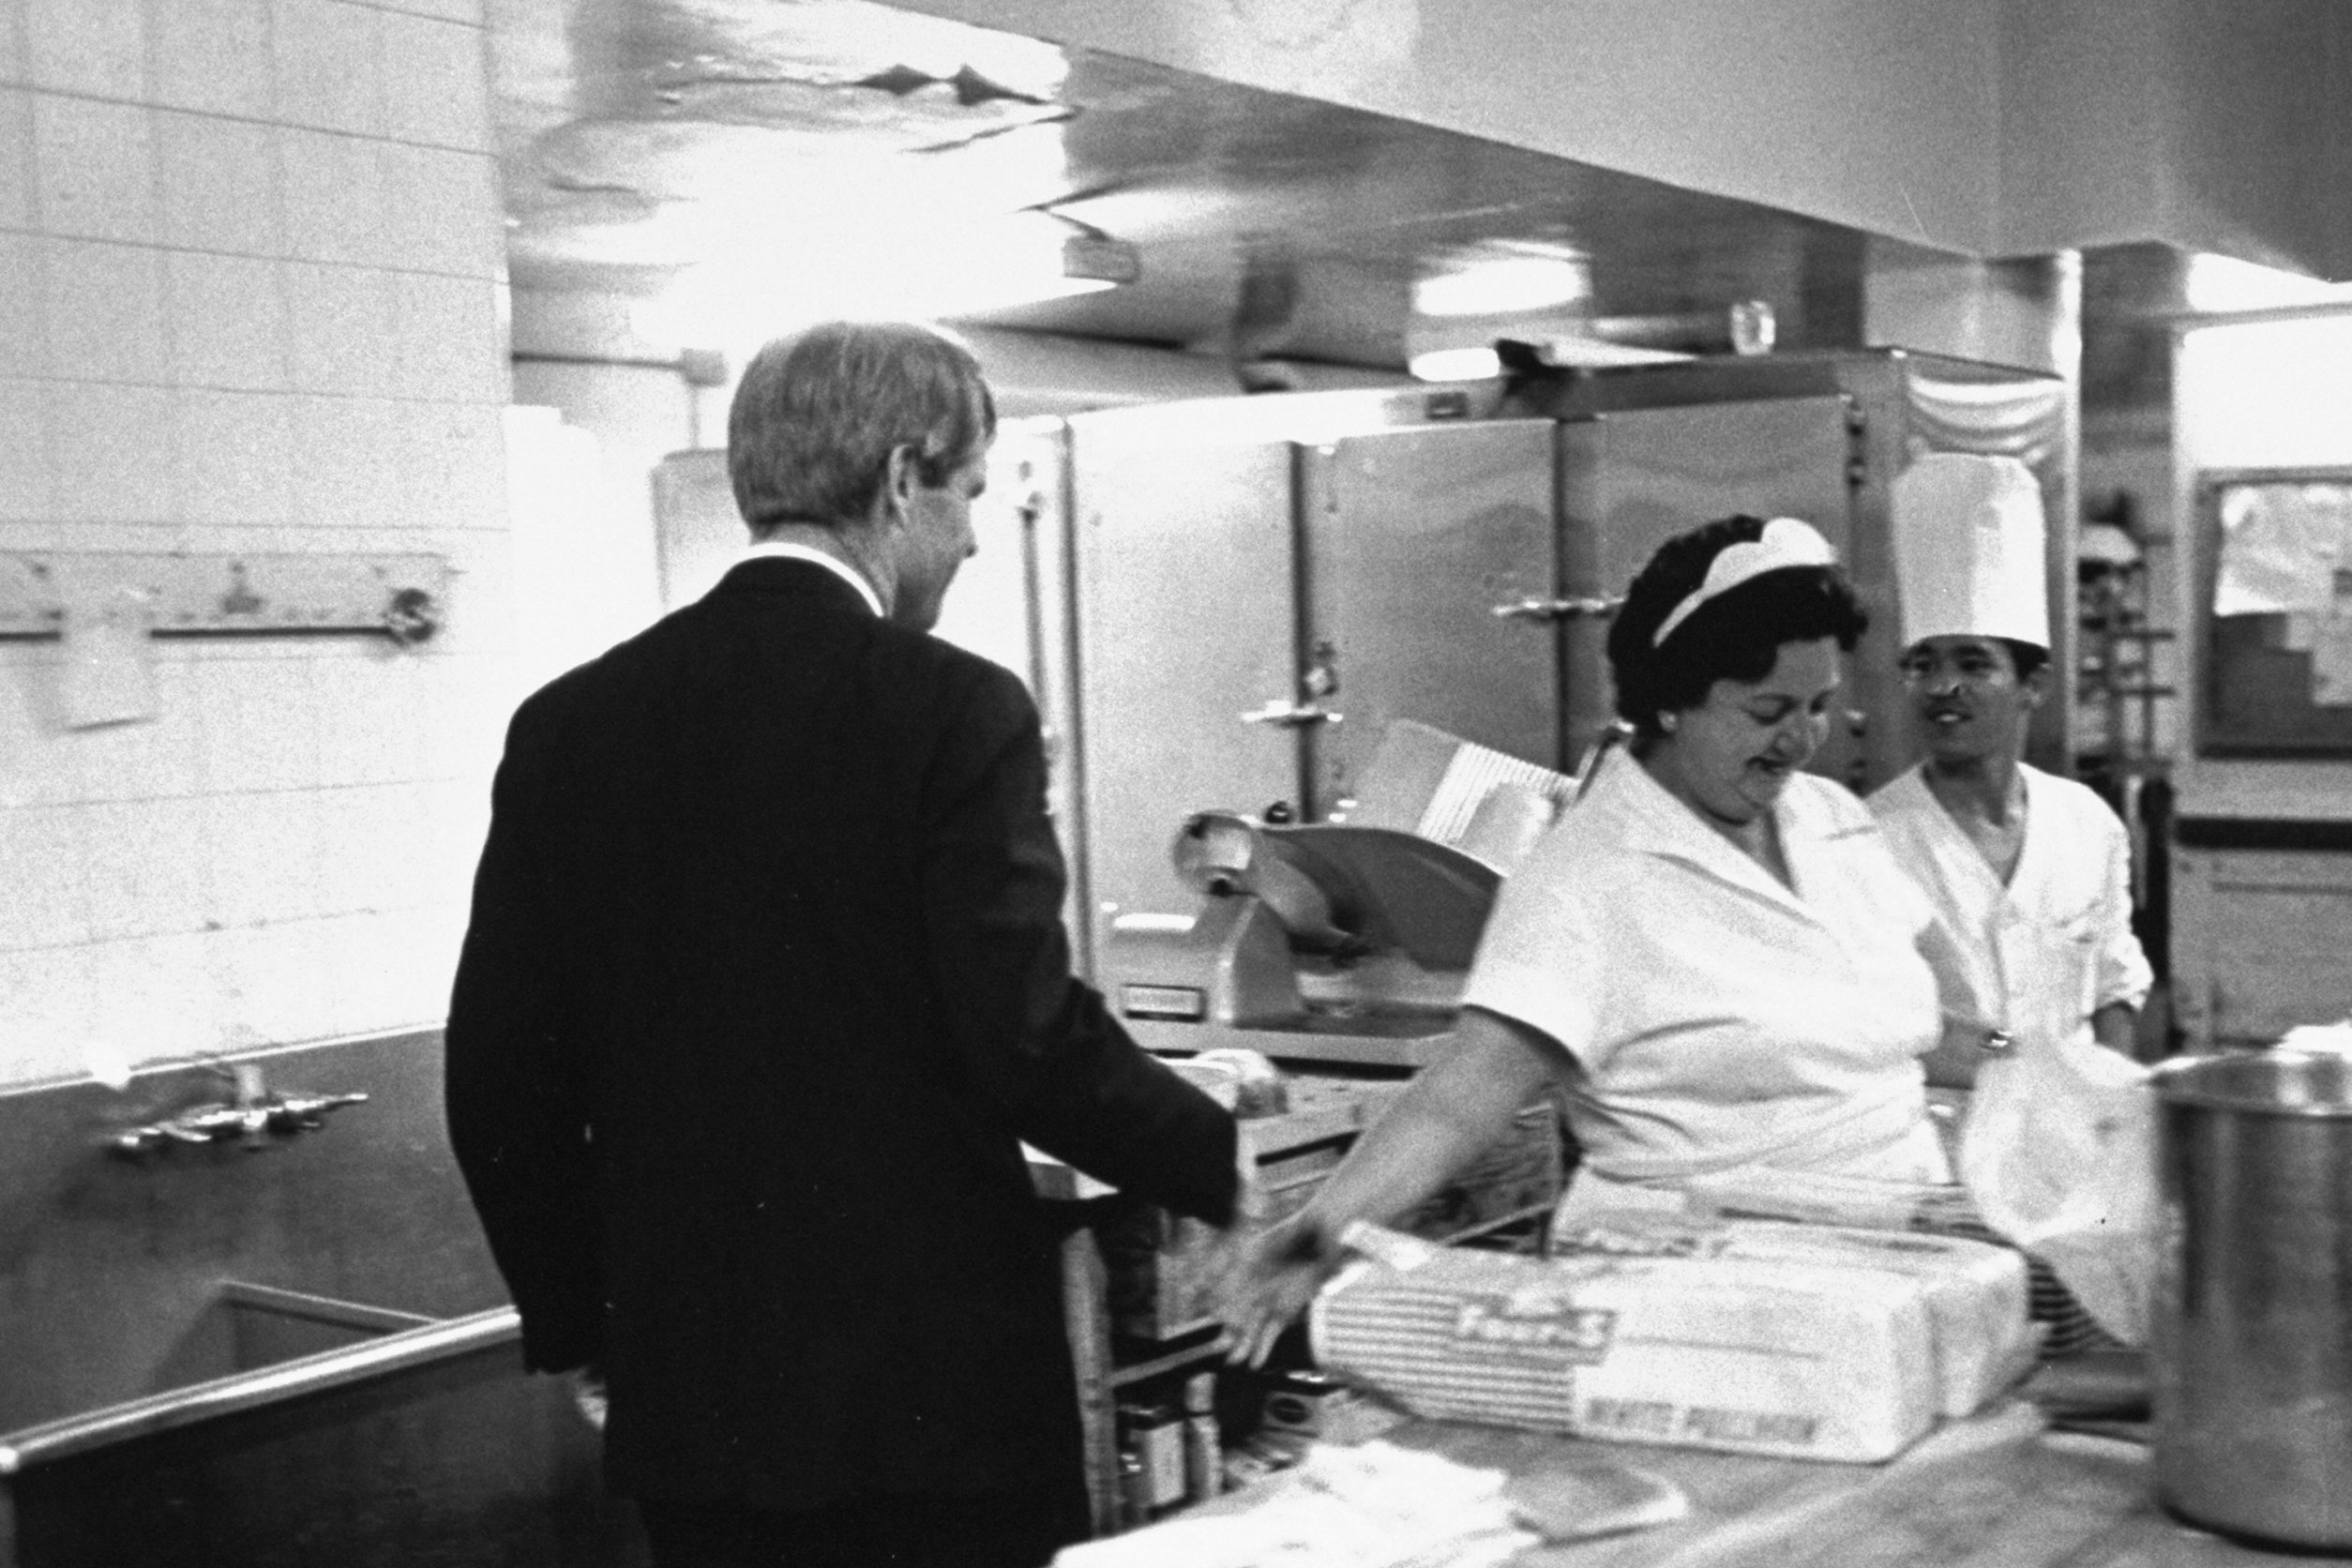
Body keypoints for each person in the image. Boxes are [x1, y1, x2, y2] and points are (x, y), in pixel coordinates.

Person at [445, 321, 1240, 1568]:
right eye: (970, 492)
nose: (975, 535)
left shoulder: (569, 725)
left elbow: (499, 1077)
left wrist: (586, 1324)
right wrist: (1227, 1163)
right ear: (902, 478)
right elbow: (1029, 1039)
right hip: (937, 1408)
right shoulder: (951, 708)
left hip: (698, 1410)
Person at [1217, 513, 1952, 1365]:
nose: (1802, 739)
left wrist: (2049, 1075)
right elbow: (1463, 1097)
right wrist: (1319, 1234)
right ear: (1672, 701)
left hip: (1898, 1269)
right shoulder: (1587, 876)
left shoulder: (1832, 819)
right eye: (1768, 710)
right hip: (1712, 1306)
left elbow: (1911, 1021)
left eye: (1821, 706)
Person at [1870, 453, 2153, 1081]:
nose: (1943, 686)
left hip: (2073, 1133)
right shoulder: (1871, 838)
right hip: (1935, 1141)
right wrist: (2027, 1066)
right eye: (1923, 665)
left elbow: (2114, 987)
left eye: (1973, 664)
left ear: (2033, 685)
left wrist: (2105, 1106)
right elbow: (1879, 1021)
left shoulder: (2086, 824)